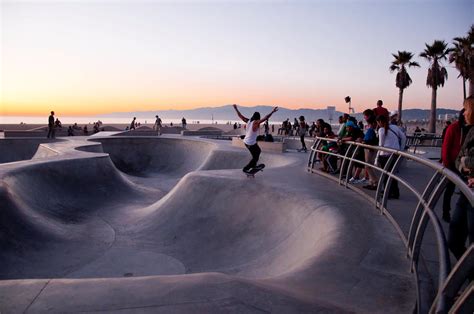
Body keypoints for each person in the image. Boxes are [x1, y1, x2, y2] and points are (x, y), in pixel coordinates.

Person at [449, 96, 474, 260]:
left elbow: (463, 159)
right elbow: (459, 159)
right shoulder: (471, 130)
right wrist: (466, 165)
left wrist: (466, 163)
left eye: (466, 109)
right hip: (466, 190)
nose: (463, 113)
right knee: (454, 240)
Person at [441, 110, 469, 222]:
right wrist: (447, 165)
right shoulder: (453, 128)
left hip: (465, 166)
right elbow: (446, 147)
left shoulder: (470, 129)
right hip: (452, 164)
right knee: (449, 189)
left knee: (465, 192)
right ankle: (446, 212)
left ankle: (463, 215)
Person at [233, 104, 278, 173]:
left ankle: (253, 165)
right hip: (250, 143)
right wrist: (272, 112)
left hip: (247, 142)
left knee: (257, 153)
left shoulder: (248, 121)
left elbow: (240, 116)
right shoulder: (256, 122)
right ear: (258, 118)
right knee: (256, 155)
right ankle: (246, 168)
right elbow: (265, 118)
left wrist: (236, 109)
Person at [376, 114, 406, 199]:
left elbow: (380, 145)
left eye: (377, 122)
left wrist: (376, 158)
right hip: (394, 154)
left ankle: (387, 192)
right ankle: (395, 192)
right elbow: (403, 137)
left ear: (380, 122)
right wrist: (401, 149)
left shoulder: (381, 130)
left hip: (384, 155)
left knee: (385, 175)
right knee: (392, 174)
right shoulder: (395, 127)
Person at [362, 109, 379, 190]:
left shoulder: (373, 124)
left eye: (365, 116)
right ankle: (371, 182)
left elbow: (373, 137)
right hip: (368, 146)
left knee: (368, 165)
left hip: (370, 147)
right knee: (368, 165)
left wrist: (364, 141)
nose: (364, 117)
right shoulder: (371, 125)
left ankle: (375, 182)